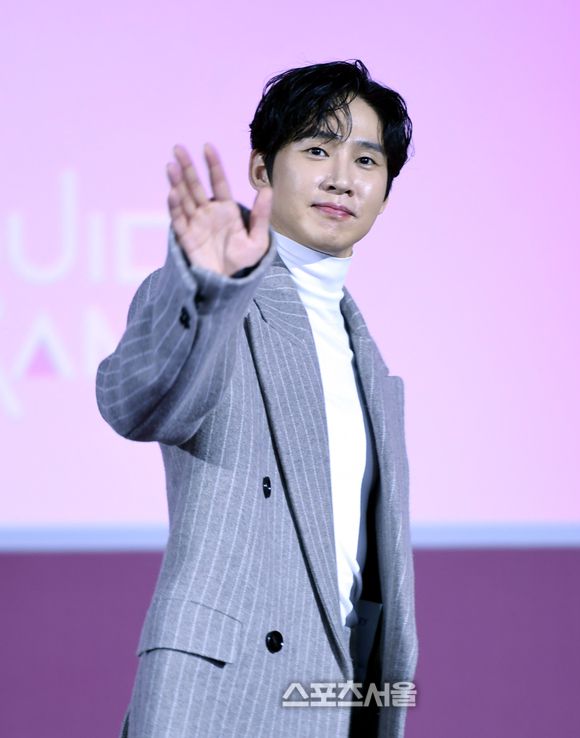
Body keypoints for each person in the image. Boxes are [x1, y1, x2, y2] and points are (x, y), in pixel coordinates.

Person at [96, 59, 418, 738]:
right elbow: (136, 403)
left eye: (366, 160)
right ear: (262, 170)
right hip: (222, 695)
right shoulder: (221, 298)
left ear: (386, 193)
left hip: (332, 700)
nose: (342, 177)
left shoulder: (374, 368)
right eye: (317, 150)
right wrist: (209, 288)